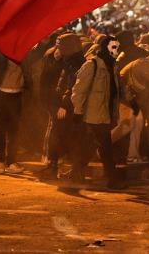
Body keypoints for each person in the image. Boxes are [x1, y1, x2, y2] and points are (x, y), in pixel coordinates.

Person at [71, 35, 125, 189]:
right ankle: (112, 179)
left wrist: (131, 101)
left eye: (117, 48)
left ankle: (76, 171)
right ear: (105, 48)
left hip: (106, 113)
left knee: (93, 145)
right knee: (105, 146)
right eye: (113, 47)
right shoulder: (91, 65)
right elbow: (79, 90)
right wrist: (78, 111)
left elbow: (117, 88)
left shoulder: (113, 66)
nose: (116, 51)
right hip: (93, 114)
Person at [0, 35, 31, 174]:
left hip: (17, 95)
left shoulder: (26, 55)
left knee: (14, 131)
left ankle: (11, 162)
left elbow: (39, 51)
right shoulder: (0, 54)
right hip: (0, 94)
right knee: (0, 129)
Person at [39, 33, 84, 179]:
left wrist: (63, 105)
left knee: (60, 134)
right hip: (64, 103)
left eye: (61, 46)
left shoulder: (75, 63)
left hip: (67, 105)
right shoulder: (69, 59)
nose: (57, 48)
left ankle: (56, 167)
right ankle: (68, 168)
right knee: (63, 134)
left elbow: (71, 85)